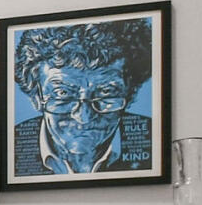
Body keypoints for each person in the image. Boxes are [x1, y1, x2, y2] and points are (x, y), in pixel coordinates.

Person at [11, 20, 157, 176]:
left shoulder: (156, 140)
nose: (84, 117)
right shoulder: (8, 147)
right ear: (36, 97)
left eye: (106, 92)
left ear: (130, 94)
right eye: (63, 93)